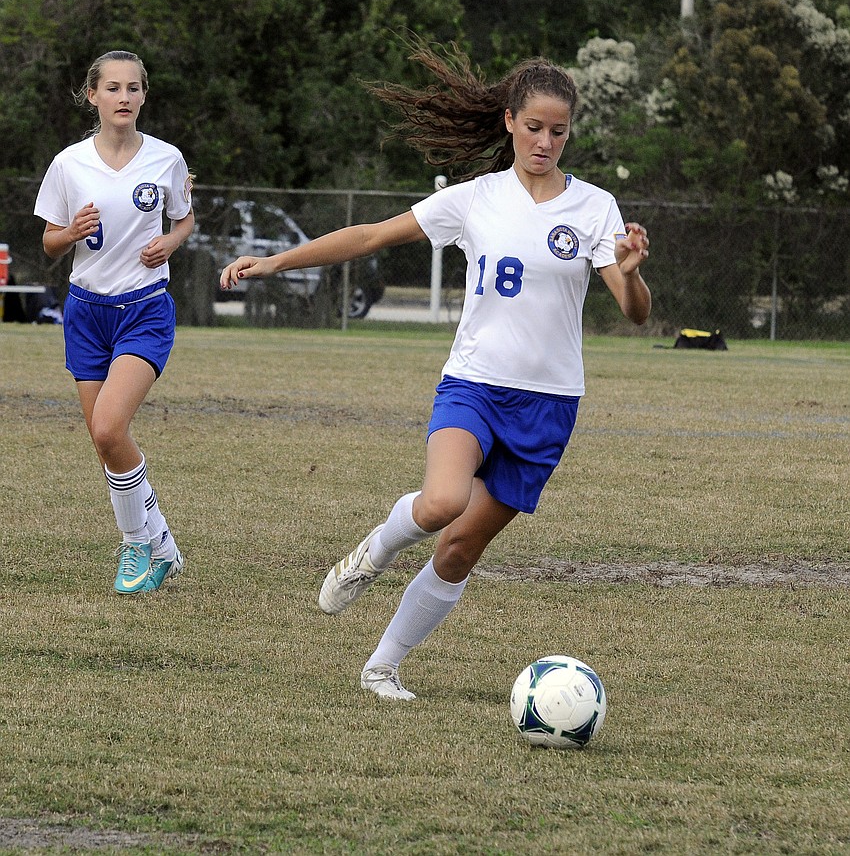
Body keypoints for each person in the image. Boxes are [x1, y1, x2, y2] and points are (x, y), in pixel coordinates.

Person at [220, 41, 651, 699]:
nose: (544, 142)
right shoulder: (475, 199)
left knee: (458, 550)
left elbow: (635, 310)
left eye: (558, 131)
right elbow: (369, 236)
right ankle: (377, 549)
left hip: (549, 404)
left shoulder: (594, 209)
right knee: (443, 501)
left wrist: (628, 270)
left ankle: (382, 667)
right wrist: (276, 261)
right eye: (533, 127)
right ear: (509, 119)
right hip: (474, 384)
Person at [35, 50, 195, 595]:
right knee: (105, 441)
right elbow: (50, 243)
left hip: (144, 310)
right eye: (113, 89)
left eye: (133, 88)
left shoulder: (166, 159)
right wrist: (71, 231)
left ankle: (135, 546)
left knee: (109, 428)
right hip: (85, 312)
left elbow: (184, 217)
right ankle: (165, 544)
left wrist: (171, 241)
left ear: (144, 96)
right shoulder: (69, 164)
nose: (123, 98)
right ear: (92, 96)